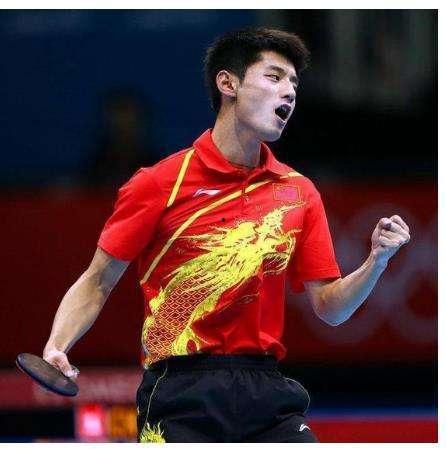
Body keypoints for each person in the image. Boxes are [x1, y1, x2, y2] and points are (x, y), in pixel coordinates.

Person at [42, 28, 411, 443]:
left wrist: (376, 262)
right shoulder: (159, 183)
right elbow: (97, 280)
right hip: (180, 392)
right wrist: (58, 344)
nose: (289, 92)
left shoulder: (298, 192)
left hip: (266, 392)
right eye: (274, 77)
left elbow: (331, 308)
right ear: (228, 83)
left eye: (294, 83)